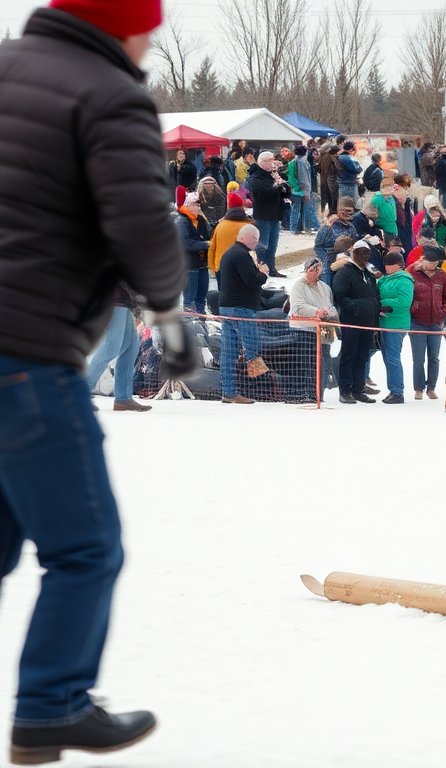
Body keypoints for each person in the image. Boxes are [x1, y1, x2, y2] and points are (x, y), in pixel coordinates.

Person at [0, 3, 202, 758]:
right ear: (119, 24)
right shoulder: (107, 92)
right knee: (86, 548)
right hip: (24, 350)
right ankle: (50, 706)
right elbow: (142, 220)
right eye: (148, 24)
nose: (153, 39)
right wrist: (171, 318)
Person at [217, 224, 271, 405]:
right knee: (252, 348)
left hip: (227, 307)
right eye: (255, 240)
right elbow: (251, 281)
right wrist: (263, 273)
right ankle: (261, 386)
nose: (256, 243)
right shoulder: (241, 255)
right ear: (248, 237)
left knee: (229, 352)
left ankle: (229, 392)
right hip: (241, 309)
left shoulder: (228, 254)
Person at [85, 284, 151, 412]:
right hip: (113, 295)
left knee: (131, 345)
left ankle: (124, 398)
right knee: (111, 346)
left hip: (125, 299)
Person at [332, 240, 380, 404]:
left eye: (367, 253)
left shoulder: (367, 274)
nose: (365, 256)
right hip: (352, 321)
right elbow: (339, 296)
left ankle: (358, 389)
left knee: (362, 356)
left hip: (367, 321)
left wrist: (377, 308)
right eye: (362, 252)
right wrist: (356, 308)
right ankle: (345, 390)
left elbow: (374, 294)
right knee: (349, 355)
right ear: (355, 253)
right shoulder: (345, 273)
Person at [287, 257, 338, 403]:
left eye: (318, 269)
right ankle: (308, 392)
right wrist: (317, 312)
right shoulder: (299, 285)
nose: (315, 272)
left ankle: (319, 393)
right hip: (305, 329)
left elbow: (330, 304)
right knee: (308, 362)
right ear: (306, 270)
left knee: (325, 361)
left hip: (325, 327)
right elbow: (297, 307)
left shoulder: (325, 287)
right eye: (312, 269)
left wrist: (330, 315)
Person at [408, 246, 446, 400]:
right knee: (418, 358)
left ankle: (431, 387)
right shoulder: (413, 271)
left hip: (436, 322)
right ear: (422, 260)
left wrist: (444, 310)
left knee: (434, 356)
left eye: (433, 265)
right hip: (417, 321)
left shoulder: (441, 275)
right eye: (427, 263)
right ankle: (418, 387)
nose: (430, 267)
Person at [376, 251, 413, 404]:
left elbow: (404, 301)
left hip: (396, 324)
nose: (386, 267)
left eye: (389, 265)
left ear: (398, 265)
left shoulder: (404, 280)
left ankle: (397, 391)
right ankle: (394, 389)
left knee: (392, 358)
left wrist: (381, 304)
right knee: (388, 358)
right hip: (384, 324)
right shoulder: (385, 279)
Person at [246, 150, 290, 277]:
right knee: (262, 245)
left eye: (273, 159)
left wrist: (282, 185)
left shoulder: (273, 175)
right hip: (263, 216)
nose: (273, 163)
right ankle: (262, 268)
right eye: (270, 160)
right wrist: (276, 186)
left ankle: (271, 268)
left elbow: (286, 192)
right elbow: (260, 195)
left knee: (273, 245)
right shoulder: (255, 178)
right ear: (262, 163)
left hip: (275, 215)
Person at [176, 192, 213, 315]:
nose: (197, 207)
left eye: (198, 205)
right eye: (194, 204)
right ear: (187, 205)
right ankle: (192, 327)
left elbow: (210, 234)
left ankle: (202, 324)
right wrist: (205, 244)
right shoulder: (181, 221)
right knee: (190, 300)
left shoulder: (201, 219)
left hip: (202, 264)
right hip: (189, 265)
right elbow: (184, 242)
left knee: (202, 298)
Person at [207, 191, 253, 285]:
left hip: (221, 265)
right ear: (242, 207)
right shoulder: (249, 225)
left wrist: (212, 266)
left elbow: (212, 247)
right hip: (243, 266)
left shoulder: (220, 225)